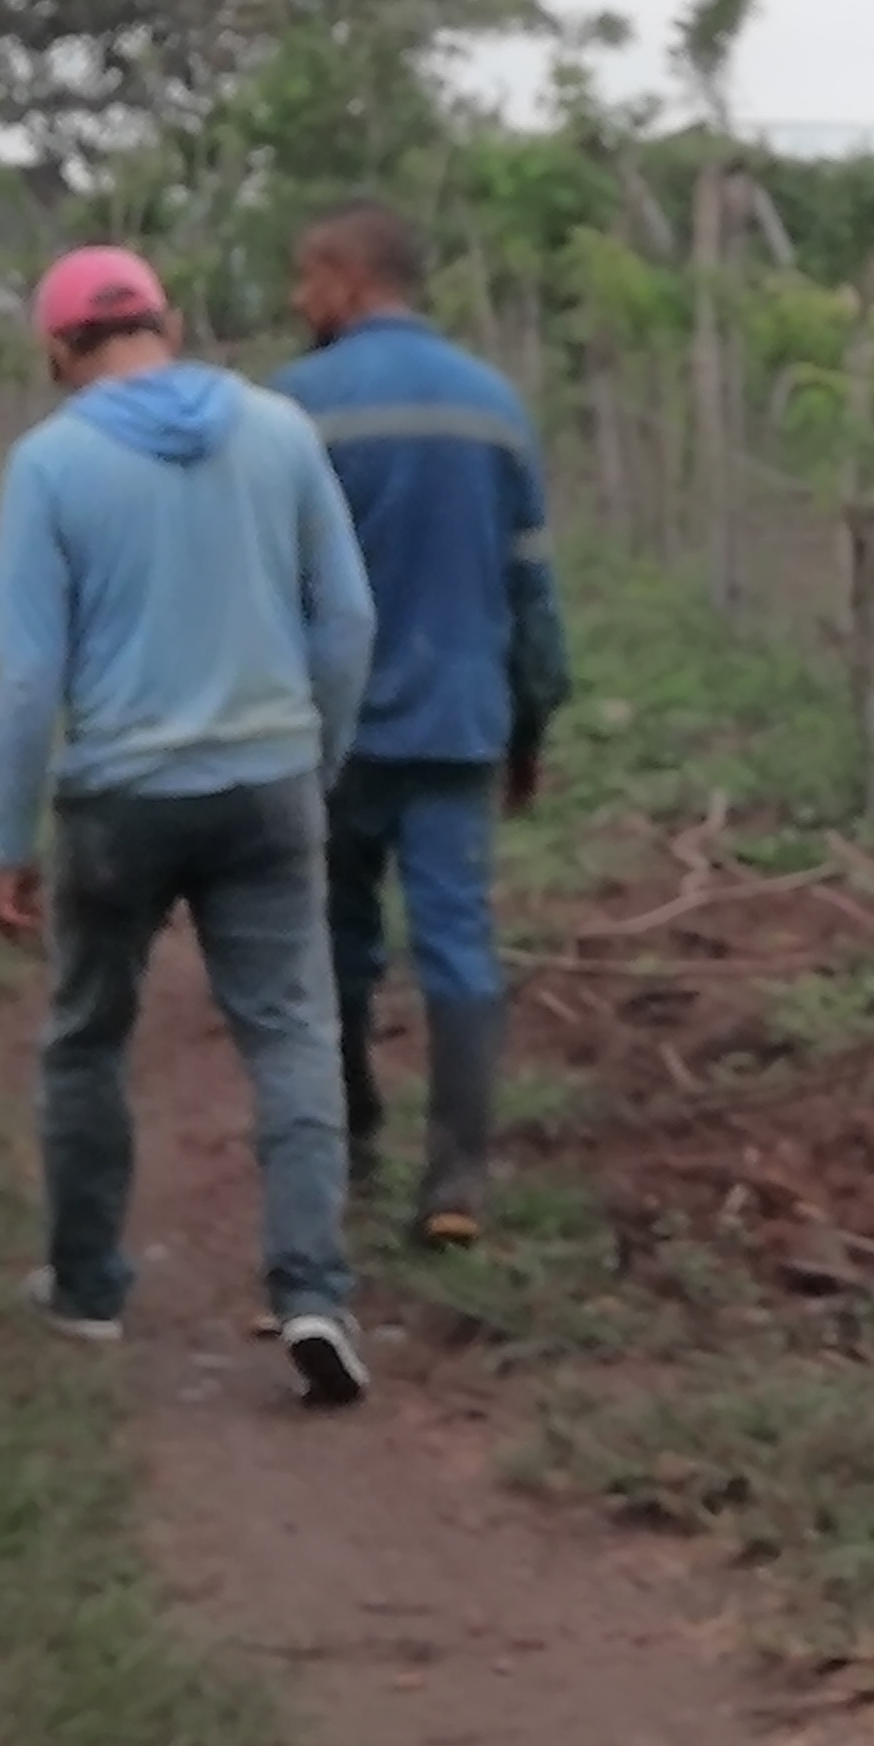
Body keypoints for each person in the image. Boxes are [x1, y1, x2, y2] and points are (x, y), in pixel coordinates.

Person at [0, 242, 377, 1400]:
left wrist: (7, 839)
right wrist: (315, 761)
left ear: (58, 351)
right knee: (291, 1034)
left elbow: (25, 675)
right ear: (172, 323)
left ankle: (87, 1288)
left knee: (88, 1034)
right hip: (267, 782)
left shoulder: (50, 463)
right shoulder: (280, 432)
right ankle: (313, 1293)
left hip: (119, 795)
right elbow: (347, 621)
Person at [280, 201, 569, 1246]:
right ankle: (456, 1183)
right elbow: (531, 587)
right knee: (457, 940)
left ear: (352, 280)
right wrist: (530, 725)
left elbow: (265, 586)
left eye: (309, 278)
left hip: (329, 734)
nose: (299, 299)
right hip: (459, 723)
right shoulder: (494, 404)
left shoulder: (291, 409)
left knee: (333, 939)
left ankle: (348, 1140)